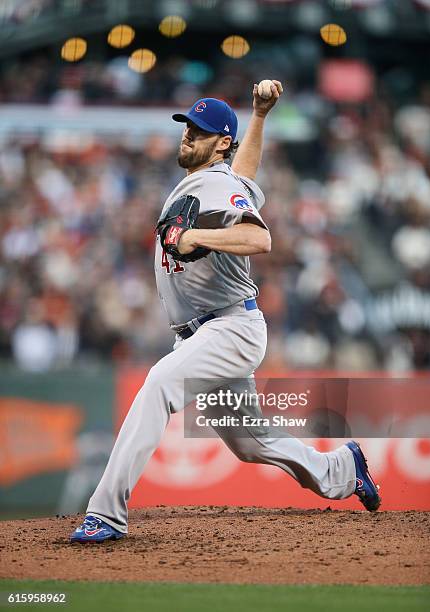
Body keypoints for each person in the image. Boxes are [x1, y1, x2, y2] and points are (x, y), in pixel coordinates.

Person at [71, 82, 380, 543]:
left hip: (229, 327)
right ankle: (342, 469)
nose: (187, 136)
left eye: (200, 132)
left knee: (157, 385)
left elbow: (261, 239)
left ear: (220, 143)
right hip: (206, 332)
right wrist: (258, 117)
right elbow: (245, 179)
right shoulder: (217, 180)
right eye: (187, 128)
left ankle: (106, 513)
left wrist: (198, 238)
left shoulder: (213, 182)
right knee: (252, 443)